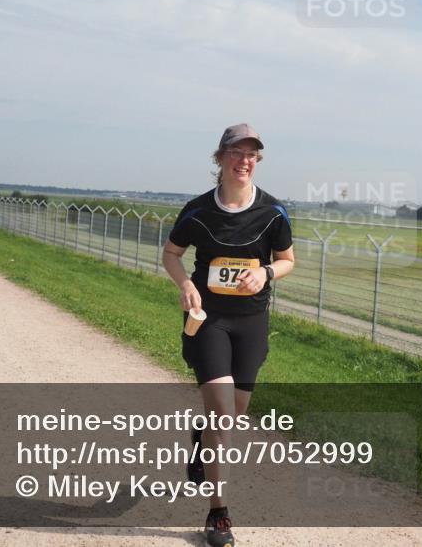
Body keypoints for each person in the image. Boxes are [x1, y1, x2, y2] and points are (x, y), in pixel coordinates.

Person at [162, 124, 294, 547]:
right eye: (236, 152)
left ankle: (202, 440)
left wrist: (266, 272)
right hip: (209, 320)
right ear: (219, 159)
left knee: (231, 418)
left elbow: (288, 260)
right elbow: (171, 253)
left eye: (252, 153)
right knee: (224, 417)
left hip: (252, 322)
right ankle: (218, 513)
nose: (245, 160)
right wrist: (184, 284)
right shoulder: (198, 211)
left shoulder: (273, 212)